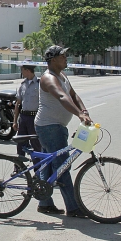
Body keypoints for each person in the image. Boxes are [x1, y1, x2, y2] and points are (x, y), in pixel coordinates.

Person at [34, 45, 92, 218]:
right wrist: (79, 114)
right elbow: (62, 96)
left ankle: (44, 203)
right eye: (63, 56)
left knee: (48, 166)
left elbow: (73, 95)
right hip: (49, 127)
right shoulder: (48, 78)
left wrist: (84, 111)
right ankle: (73, 208)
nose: (66, 58)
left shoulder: (62, 76)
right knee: (62, 166)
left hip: (56, 126)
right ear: (53, 60)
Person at [12, 60, 41, 174]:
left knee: (36, 146)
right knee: (21, 144)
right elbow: (18, 103)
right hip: (23, 118)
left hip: (34, 119)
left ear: (27, 70)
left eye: (22, 69)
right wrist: (15, 121)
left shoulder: (40, 84)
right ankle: (18, 168)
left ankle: (38, 171)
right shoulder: (23, 84)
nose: (21, 72)